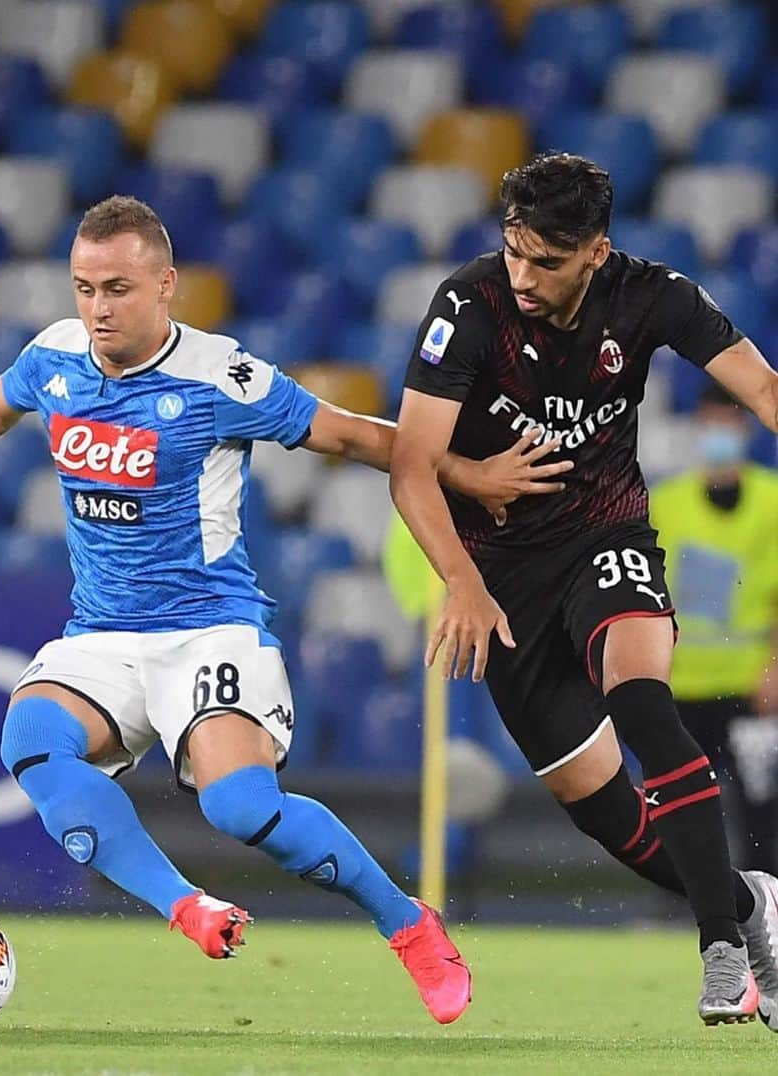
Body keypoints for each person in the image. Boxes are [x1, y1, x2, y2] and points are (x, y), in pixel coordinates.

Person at [0, 196, 564, 1024]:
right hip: (104, 636)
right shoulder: (55, 355)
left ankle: (408, 925)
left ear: (166, 287)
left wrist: (472, 475)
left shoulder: (221, 374)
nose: (98, 308)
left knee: (240, 809)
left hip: (208, 631)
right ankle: (186, 906)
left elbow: (354, 437)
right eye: (84, 287)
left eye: (117, 288)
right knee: (31, 743)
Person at [388, 152, 778, 1027]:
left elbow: (762, 389)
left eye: (547, 262)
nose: (523, 277)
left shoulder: (653, 296)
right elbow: (411, 467)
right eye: (515, 252)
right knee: (614, 822)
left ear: (596, 251)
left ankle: (720, 946)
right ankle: (753, 906)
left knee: (642, 699)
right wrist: (462, 581)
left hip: (606, 539)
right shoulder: (468, 304)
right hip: (504, 585)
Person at [650, 383, 778, 874]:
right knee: (681, 810)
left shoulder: (770, 503)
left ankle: (763, 904)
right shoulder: (668, 504)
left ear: (743, 428)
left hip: (750, 690)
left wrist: (771, 671)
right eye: (708, 424)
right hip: (681, 689)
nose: (717, 435)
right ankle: (682, 904)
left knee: (758, 812)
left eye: (726, 423)